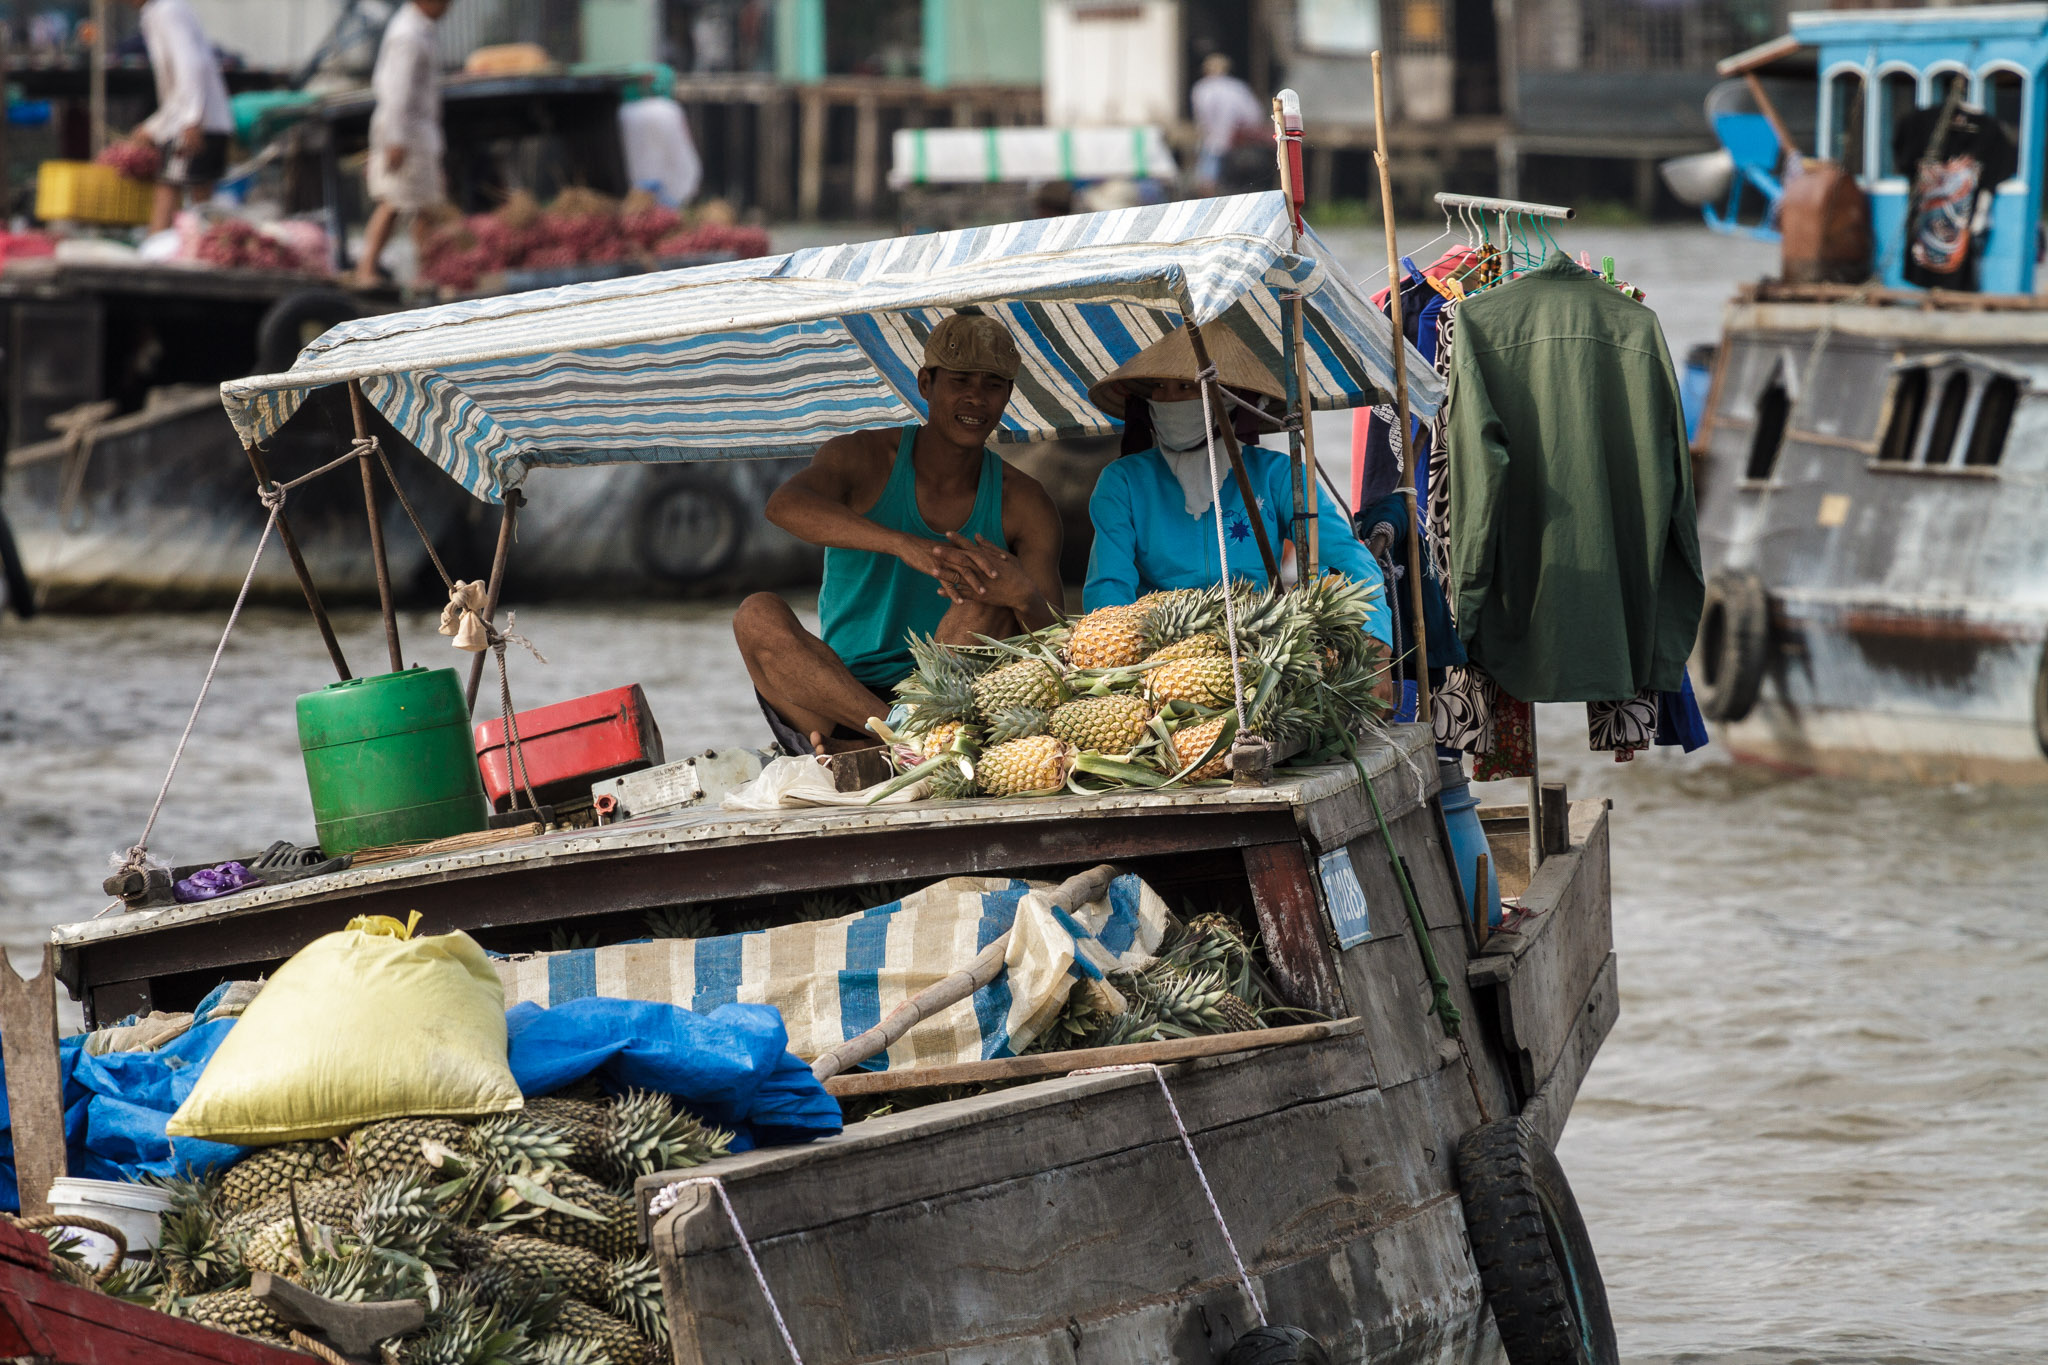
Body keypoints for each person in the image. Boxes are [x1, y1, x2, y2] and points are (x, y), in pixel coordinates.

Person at [734, 314, 1066, 754]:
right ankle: (895, 736)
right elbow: (784, 506)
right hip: (838, 698)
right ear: (925, 383)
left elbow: (1060, 653)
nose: (976, 398)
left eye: (993, 385)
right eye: (960, 380)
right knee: (755, 614)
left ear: (1008, 395)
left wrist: (1023, 597)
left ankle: (894, 743)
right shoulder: (862, 457)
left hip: (948, 701)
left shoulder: (1025, 502)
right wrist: (903, 544)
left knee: (993, 600)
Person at [1081, 322, 1394, 653]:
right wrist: (1114, 651)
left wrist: (1375, 636)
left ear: (1232, 398)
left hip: (1258, 647)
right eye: (1159, 387)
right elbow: (1109, 586)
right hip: (1155, 654)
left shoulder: (1278, 474)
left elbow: (1346, 555)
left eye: (1187, 387)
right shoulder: (1123, 481)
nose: (1169, 400)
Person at [353, 0, 452, 288]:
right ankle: (366, 268)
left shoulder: (421, 30)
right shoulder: (407, 34)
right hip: (405, 133)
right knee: (394, 201)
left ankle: (427, 271)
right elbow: (396, 92)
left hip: (417, 132)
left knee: (422, 203)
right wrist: (396, 140)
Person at [125, 0, 233, 233]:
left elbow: (190, 64)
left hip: (194, 121)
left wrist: (192, 119)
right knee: (200, 196)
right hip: (199, 118)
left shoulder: (167, 11)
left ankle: (154, 256)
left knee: (168, 188)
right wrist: (155, 126)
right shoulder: (160, 12)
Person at [618, 65, 702, 207]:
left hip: (629, 197)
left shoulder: (622, 112)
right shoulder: (668, 110)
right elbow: (684, 158)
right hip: (668, 196)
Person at [1190, 53, 1267, 195]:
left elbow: (1202, 116)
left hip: (1214, 138)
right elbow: (1254, 115)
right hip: (1237, 140)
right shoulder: (1237, 88)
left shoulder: (1202, 89)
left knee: (1208, 176)